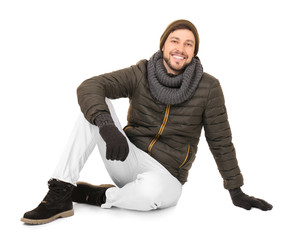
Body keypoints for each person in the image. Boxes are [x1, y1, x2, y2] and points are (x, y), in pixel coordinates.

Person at [21, 19, 272, 225]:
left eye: (188, 44)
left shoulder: (209, 87)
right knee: (96, 108)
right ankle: (60, 192)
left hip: (167, 176)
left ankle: (98, 195)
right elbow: (90, 86)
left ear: (194, 52)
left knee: (151, 195)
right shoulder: (142, 72)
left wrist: (235, 190)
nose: (180, 48)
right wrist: (107, 126)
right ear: (163, 45)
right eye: (174, 41)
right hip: (126, 157)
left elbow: (220, 140)